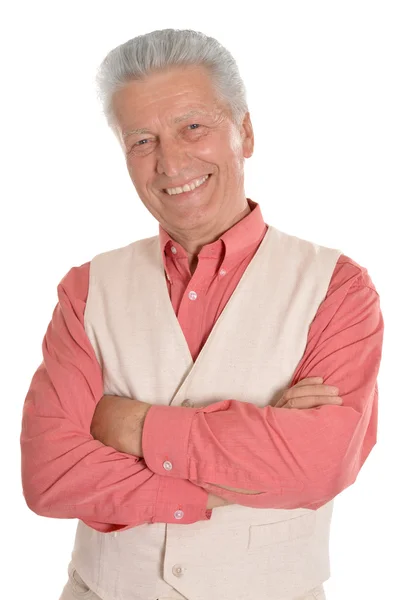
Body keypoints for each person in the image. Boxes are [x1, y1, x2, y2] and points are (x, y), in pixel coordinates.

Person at [20, 28, 384, 600]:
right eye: (142, 140)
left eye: (193, 127)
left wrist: (127, 425)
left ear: (244, 131)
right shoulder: (86, 289)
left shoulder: (337, 289)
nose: (170, 161)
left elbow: (318, 467)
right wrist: (240, 476)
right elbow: (50, 476)